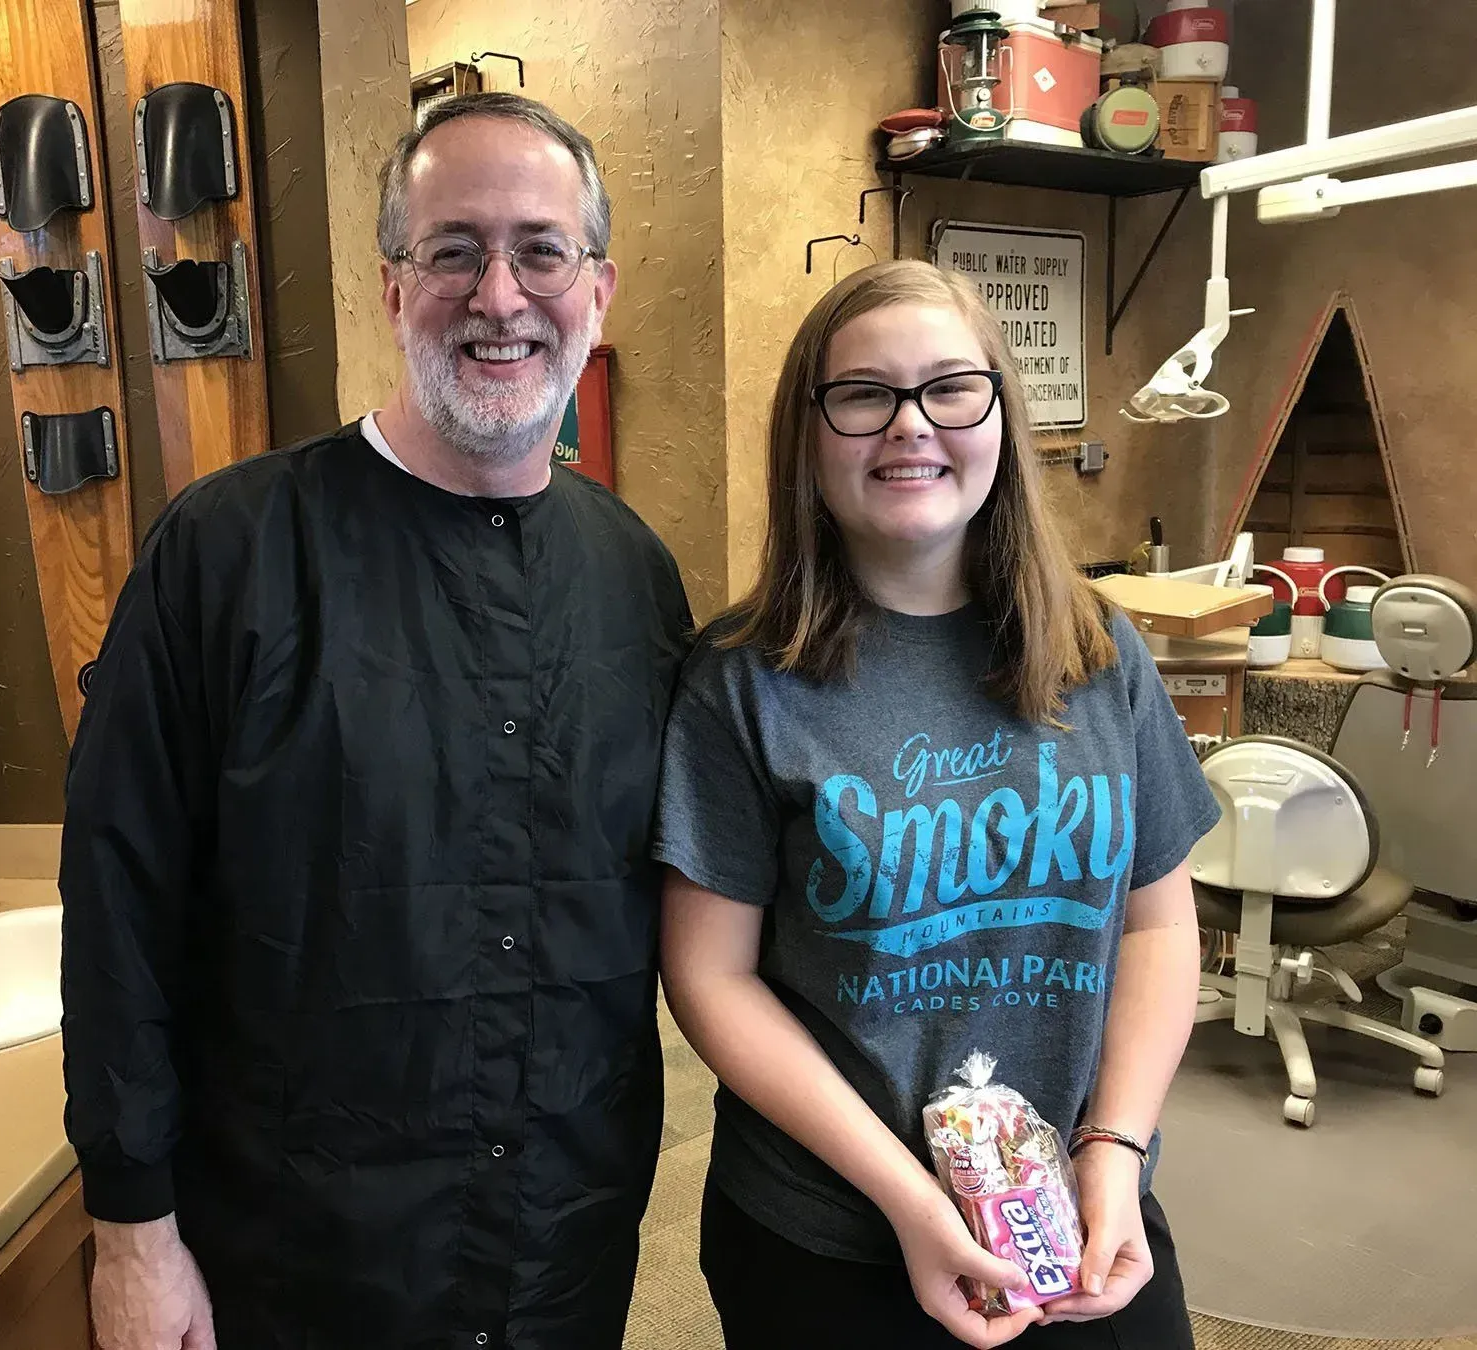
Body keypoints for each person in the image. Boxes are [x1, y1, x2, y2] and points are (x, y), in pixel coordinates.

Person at [59, 92, 692, 1350]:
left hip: (562, 1250)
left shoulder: (636, 575)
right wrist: (132, 1233)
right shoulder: (229, 552)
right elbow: (120, 905)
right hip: (297, 1265)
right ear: (395, 289)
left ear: (599, 289)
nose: (500, 296)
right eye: (455, 250)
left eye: (542, 251)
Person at [654, 260, 1220, 1350]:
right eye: (865, 394)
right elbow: (711, 977)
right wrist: (914, 1204)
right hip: (837, 1233)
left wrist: (1112, 1148)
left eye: (951, 387)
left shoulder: (1100, 651)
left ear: (1000, 413)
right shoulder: (741, 680)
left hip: (1079, 1206)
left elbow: (1157, 925)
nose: (911, 424)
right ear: (809, 432)